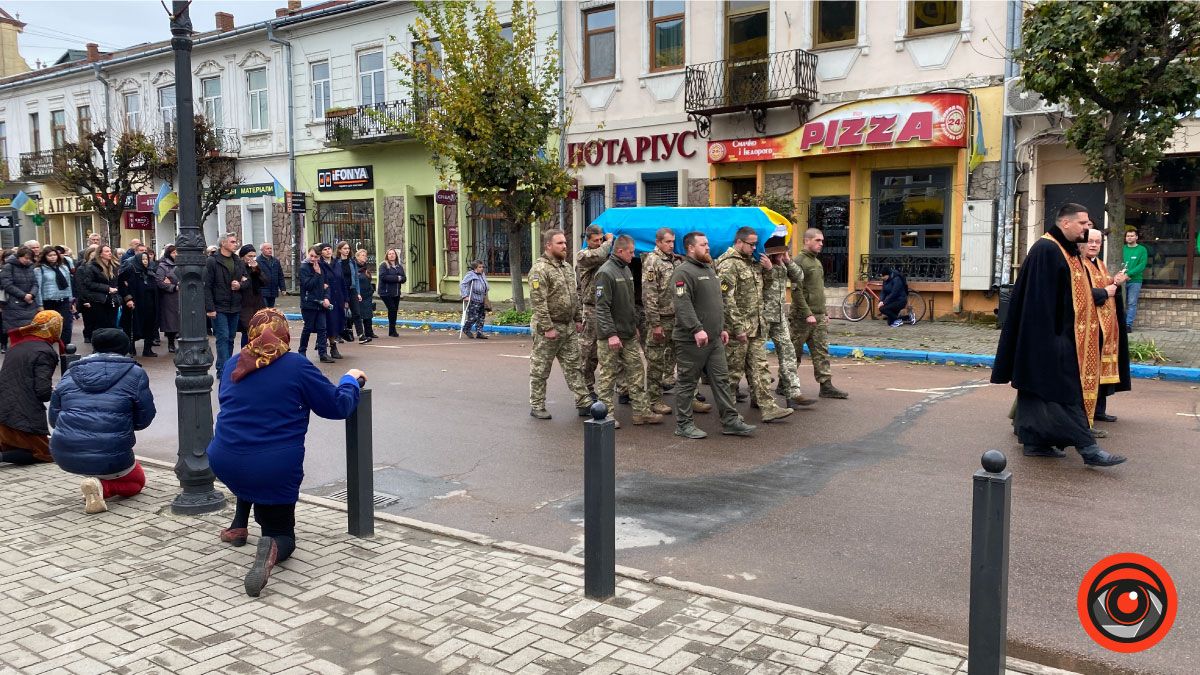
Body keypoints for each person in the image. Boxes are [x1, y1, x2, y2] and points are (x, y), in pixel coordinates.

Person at [208, 308, 364, 597]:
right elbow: (337, 407)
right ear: (283, 334)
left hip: (223, 459)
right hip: (273, 467)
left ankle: (238, 526)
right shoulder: (295, 365)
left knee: (249, 462)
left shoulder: (232, 364)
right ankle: (271, 545)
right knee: (283, 534)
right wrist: (350, 381)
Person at [991, 203, 1127, 467]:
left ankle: (1035, 443)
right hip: (1049, 339)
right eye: (1083, 223)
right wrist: (1052, 342)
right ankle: (1088, 449)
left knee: (1034, 392)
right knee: (1065, 394)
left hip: (1056, 338)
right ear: (1066, 223)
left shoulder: (1066, 250)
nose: (1087, 228)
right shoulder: (1047, 250)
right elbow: (1039, 302)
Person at [49, 328, 156, 514]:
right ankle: (103, 487)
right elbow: (144, 418)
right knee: (137, 482)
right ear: (125, 348)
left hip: (65, 453)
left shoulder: (71, 372)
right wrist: (123, 425)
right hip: (113, 454)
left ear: (94, 347)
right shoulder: (135, 373)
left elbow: (54, 418)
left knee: (102, 458)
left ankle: (95, 483)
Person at [671, 232, 756, 439]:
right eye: (703, 244)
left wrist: (722, 328)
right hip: (692, 340)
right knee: (687, 382)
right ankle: (684, 424)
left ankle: (730, 421)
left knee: (721, 380)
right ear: (691, 248)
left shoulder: (709, 269)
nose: (708, 247)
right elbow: (683, 304)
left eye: (708, 243)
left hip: (715, 338)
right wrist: (696, 329)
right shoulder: (683, 272)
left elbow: (717, 302)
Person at [715, 227, 793, 423]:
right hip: (737, 330)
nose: (755, 248)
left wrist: (769, 270)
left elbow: (765, 289)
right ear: (739, 242)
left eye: (756, 244)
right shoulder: (728, 264)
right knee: (733, 373)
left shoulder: (752, 263)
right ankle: (729, 414)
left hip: (756, 327)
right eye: (751, 244)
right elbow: (726, 299)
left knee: (761, 368)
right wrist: (737, 328)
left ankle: (768, 408)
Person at [593, 235, 664, 428]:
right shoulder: (605, 272)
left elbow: (629, 303)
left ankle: (641, 413)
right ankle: (605, 415)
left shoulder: (625, 269)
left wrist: (633, 327)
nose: (633, 255)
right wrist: (611, 334)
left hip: (628, 333)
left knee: (636, 372)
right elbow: (602, 307)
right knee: (608, 377)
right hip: (610, 336)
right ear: (620, 251)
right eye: (631, 252)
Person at [528, 229, 591, 420]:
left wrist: (578, 318)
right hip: (549, 328)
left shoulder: (566, 267)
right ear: (548, 245)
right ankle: (537, 405)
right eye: (560, 243)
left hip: (568, 327)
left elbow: (574, 295)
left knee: (574, 366)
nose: (565, 246)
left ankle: (583, 402)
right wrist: (548, 327)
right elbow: (538, 301)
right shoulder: (540, 269)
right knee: (540, 369)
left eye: (565, 242)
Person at [789, 228, 848, 399]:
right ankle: (785, 384)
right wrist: (807, 313)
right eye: (817, 240)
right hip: (802, 318)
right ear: (806, 241)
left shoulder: (816, 262)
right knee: (793, 353)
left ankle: (826, 385)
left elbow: (818, 290)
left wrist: (824, 312)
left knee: (821, 352)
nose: (821, 244)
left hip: (819, 316)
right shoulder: (799, 261)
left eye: (822, 241)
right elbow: (797, 292)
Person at [1080, 228, 1131, 427]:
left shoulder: (1100, 264)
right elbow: (1080, 294)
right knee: (1089, 372)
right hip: (1088, 327)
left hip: (1106, 326)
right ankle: (1085, 413)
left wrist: (1115, 282)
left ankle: (1099, 410)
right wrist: (1105, 291)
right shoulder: (1079, 264)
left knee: (1101, 371)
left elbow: (1107, 287)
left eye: (1097, 242)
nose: (1094, 245)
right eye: (1090, 241)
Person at [0, 311, 63, 465]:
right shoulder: (45, 351)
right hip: (21, 415)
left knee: (10, 444)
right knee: (46, 453)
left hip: (4, 410)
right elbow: (42, 392)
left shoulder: (16, 345)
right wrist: (52, 390)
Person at [762, 246, 814, 407]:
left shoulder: (783, 263)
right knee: (758, 358)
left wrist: (787, 260)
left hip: (779, 317)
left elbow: (799, 277)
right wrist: (769, 268)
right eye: (778, 251)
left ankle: (793, 394)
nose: (780, 253)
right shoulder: (760, 261)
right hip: (762, 317)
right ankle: (757, 395)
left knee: (788, 353)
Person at [642, 228, 680, 413]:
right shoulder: (653, 261)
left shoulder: (675, 260)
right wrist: (655, 324)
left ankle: (687, 396)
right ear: (658, 242)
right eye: (667, 242)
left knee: (677, 357)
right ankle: (654, 400)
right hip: (661, 319)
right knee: (656, 361)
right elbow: (650, 294)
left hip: (676, 317)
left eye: (673, 241)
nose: (671, 245)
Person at [576, 225, 613, 398]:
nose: (598, 243)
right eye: (595, 240)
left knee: (608, 351)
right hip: (591, 309)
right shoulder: (584, 256)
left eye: (600, 240)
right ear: (587, 240)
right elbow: (599, 255)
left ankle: (620, 388)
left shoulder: (606, 255)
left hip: (608, 307)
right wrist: (609, 242)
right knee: (588, 352)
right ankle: (586, 389)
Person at [205, 233, 246, 379]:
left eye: (236, 241)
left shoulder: (238, 261)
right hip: (219, 306)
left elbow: (246, 280)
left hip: (234, 305)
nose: (236, 244)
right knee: (222, 337)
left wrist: (240, 285)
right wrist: (210, 308)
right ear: (223, 243)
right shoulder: (212, 261)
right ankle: (223, 370)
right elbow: (207, 286)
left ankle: (226, 366)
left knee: (230, 337)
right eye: (233, 242)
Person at [76, 244, 120, 345]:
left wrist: (118, 293)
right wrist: (107, 288)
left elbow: (117, 282)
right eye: (107, 251)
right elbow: (89, 283)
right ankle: (98, 346)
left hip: (112, 300)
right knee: (100, 325)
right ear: (100, 254)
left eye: (110, 251)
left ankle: (110, 345)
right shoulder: (91, 267)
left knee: (112, 324)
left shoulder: (114, 266)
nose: (110, 253)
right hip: (98, 300)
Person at [118, 252, 159, 357]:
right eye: (143, 259)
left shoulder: (150, 271)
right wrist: (128, 299)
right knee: (132, 325)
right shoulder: (130, 270)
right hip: (135, 302)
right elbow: (122, 285)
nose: (145, 261)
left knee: (150, 325)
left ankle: (147, 349)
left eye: (146, 259)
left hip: (149, 302)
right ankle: (131, 347)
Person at [298, 245, 335, 363]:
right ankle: (302, 352)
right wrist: (317, 274)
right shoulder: (304, 267)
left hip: (321, 303)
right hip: (309, 303)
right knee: (308, 328)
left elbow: (327, 285)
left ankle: (323, 353)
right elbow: (307, 285)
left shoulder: (322, 266)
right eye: (311, 256)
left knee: (322, 328)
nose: (313, 259)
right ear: (308, 254)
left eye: (316, 257)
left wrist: (327, 298)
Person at [36, 247, 75, 343]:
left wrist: (71, 301)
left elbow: (68, 285)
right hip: (48, 301)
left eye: (54, 255)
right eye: (50, 255)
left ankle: (66, 346)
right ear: (45, 257)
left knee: (66, 325)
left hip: (63, 299)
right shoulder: (39, 269)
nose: (53, 257)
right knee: (49, 327)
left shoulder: (63, 267)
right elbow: (38, 288)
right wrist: (40, 305)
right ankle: (48, 347)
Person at [2, 245, 41, 334]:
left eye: (30, 259)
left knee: (30, 331)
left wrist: (32, 294)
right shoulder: (8, 266)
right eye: (26, 258)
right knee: (16, 332)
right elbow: (7, 285)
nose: (28, 260)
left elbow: (35, 283)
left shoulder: (30, 266)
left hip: (30, 303)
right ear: (19, 256)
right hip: (14, 303)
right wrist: (24, 296)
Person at [320, 243, 349, 353]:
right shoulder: (319, 264)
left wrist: (346, 299)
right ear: (321, 252)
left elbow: (342, 282)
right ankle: (329, 347)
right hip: (327, 298)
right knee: (328, 323)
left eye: (329, 249)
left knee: (337, 322)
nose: (328, 251)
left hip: (338, 297)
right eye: (325, 249)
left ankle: (331, 346)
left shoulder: (337, 263)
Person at [237, 245, 266, 347]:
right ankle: (245, 352)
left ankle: (255, 352)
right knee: (247, 330)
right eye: (249, 256)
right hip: (244, 303)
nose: (252, 258)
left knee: (258, 329)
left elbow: (265, 281)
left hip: (257, 302)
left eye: (254, 256)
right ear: (242, 257)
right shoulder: (239, 267)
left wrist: (256, 270)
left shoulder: (256, 267)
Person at [1121, 228, 1147, 332]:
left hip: (1135, 281)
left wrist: (1129, 274)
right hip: (1121, 280)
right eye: (1128, 236)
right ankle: (1120, 324)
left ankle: (1128, 325)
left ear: (1136, 237)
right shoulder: (1122, 249)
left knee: (1132, 303)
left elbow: (1142, 265)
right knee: (1120, 302)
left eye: (1132, 236)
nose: (1129, 238)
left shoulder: (1142, 250)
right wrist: (1122, 276)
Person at [156, 245, 181, 353]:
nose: (176, 255)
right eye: (173, 253)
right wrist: (173, 287)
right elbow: (160, 281)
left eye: (177, 252)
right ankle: (171, 343)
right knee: (171, 321)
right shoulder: (163, 266)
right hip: (170, 297)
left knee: (181, 320)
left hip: (182, 296)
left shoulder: (181, 264)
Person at [377, 248, 406, 337]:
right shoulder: (383, 265)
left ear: (396, 255)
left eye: (393, 254)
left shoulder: (399, 266)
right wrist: (397, 278)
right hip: (385, 292)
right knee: (392, 309)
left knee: (394, 310)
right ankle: (392, 330)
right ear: (387, 255)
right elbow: (384, 277)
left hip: (396, 292)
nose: (391, 255)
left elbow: (404, 278)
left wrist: (399, 278)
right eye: (389, 254)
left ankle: (392, 330)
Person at [459, 260, 491, 339]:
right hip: (474, 299)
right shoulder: (470, 274)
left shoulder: (482, 274)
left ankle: (479, 332)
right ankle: (466, 328)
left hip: (482, 299)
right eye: (480, 267)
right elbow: (463, 284)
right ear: (475, 268)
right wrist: (465, 296)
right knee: (473, 317)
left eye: (482, 267)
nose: (482, 268)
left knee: (481, 317)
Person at [352, 248, 377, 343]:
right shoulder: (354, 266)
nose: (365, 257)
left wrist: (371, 290)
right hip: (359, 294)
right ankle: (352, 332)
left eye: (365, 255)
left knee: (368, 314)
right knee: (357, 314)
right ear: (357, 257)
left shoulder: (365, 267)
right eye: (362, 255)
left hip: (367, 294)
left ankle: (369, 332)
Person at [258, 242, 284, 309]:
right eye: (267, 249)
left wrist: (283, 288)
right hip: (262, 291)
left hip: (273, 290)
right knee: (264, 310)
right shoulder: (258, 261)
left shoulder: (275, 261)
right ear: (262, 250)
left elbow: (280, 275)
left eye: (270, 248)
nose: (270, 250)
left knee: (271, 310)